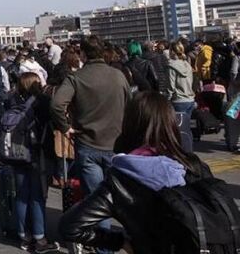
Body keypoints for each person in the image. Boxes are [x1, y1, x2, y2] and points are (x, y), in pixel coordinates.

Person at [59, 92, 214, 254]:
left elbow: (70, 226)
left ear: (129, 125)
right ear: (171, 124)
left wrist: (120, 242)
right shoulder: (193, 165)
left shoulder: (120, 178)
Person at [50, 35, 130, 254]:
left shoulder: (76, 78)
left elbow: (57, 104)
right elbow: (131, 105)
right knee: (124, 200)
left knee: (97, 203)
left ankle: (105, 249)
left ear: (82, 54)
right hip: (116, 144)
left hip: (87, 144)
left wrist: (66, 127)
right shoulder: (118, 76)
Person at [6, 73, 60, 253]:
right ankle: (40, 239)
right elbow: (54, 121)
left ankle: (24, 236)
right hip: (38, 153)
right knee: (37, 196)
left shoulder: (12, 99)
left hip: (16, 152)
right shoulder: (42, 101)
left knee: (21, 195)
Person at [168, 42, 196, 115]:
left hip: (178, 99)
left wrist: (167, 98)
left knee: (178, 125)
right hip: (190, 99)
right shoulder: (187, 65)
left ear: (172, 51)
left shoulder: (171, 65)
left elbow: (171, 86)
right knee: (187, 125)